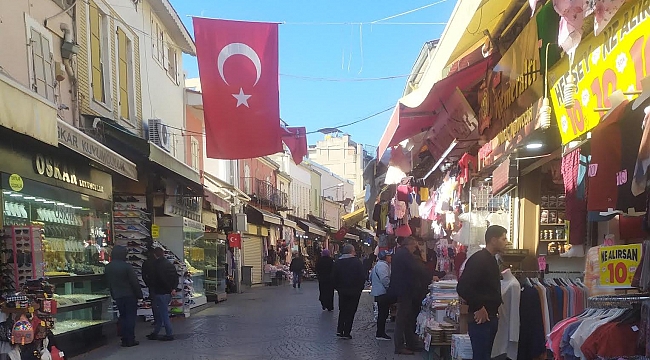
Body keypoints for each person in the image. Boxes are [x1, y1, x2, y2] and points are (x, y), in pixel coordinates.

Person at [456, 225, 508, 360]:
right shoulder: (479, 259)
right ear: (493, 240)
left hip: (489, 317)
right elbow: (463, 287)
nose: (506, 241)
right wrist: (478, 306)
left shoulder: (491, 259)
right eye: (503, 238)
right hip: (481, 319)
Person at [390, 237, 429, 355]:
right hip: (405, 291)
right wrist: (430, 275)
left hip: (405, 290)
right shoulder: (405, 255)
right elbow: (416, 268)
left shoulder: (401, 253)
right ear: (409, 245)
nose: (415, 249)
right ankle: (400, 346)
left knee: (407, 318)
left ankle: (410, 343)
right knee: (402, 318)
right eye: (415, 246)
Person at [105, 245, 143, 347]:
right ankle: (130, 339)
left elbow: (108, 282)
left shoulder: (108, 267)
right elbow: (134, 282)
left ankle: (124, 339)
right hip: (129, 295)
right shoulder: (127, 267)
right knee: (130, 317)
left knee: (123, 316)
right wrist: (140, 295)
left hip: (118, 295)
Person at [331, 244, 366, 339]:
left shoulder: (338, 262)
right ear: (352, 251)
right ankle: (346, 331)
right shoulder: (357, 262)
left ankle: (340, 329)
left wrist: (337, 287)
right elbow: (362, 276)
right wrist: (360, 288)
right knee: (351, 311)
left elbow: (334, 277)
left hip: (342, 290)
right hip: (354, 291)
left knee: (343, 310)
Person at [146, 247, 178, 341]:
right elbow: (175, 277)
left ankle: (169, 334)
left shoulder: (156, 265)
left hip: (161, 291)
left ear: (155, 255)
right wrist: (173, 289)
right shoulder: (169, 264)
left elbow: (160, 279)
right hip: (168, 292)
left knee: (163, 313)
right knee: (161, 313)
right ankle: (155, 332)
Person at [370, 249, 395, 340]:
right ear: (385, 257)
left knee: (382, 313)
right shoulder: (383, 266)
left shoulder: (378, 265)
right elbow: (385, 279)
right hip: (382, 293)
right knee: (383, 314)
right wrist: (389, 288)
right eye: (389, 256)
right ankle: (380, 333)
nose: (391, 257)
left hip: (378, 292)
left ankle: (380, 332)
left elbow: (370, 277)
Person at [142, 250, 158, 327]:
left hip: (151, 285)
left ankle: (157, 319)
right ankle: (162, 319)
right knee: (161, 303)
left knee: (154, 303)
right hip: (160, 285)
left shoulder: (146, 263)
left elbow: (144, 275)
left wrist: (147, 283)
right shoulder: (158, 263)